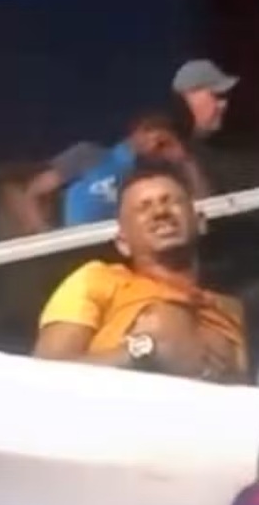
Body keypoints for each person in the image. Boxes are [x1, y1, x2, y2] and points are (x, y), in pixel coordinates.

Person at [34, 161, 246, 383]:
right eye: (143, 208)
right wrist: (142, 352)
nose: (160, 212)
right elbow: (43, 380)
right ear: (123, 242)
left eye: (171, 201)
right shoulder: (95, 280)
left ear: (200, 222)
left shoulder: (230, 310)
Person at [20, 111, 211, 231]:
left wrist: (185, 160)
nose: (154, 148)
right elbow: (34, 192)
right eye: (156, 140)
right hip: (77, 247)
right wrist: (47, 236)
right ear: (138, 132)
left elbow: (204, 208)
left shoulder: (157, 180)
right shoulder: (89, 155)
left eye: (163, 145)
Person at [172, 59, 242, 193]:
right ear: (188, 99)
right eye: (216, 96)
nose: (224, 104)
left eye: (225, 97)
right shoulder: (169, 155)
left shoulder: (229, 148)